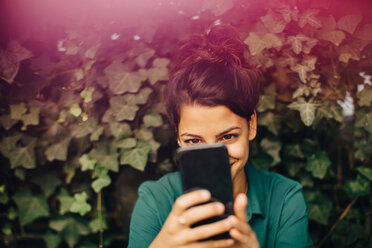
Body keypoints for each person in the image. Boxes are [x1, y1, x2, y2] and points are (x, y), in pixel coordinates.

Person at [127, 25, 312, 248]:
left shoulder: (284, 199)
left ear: (251, 125)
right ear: (177, 136)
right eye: (194, 141)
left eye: (227, 137)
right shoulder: (155, 200)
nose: (216, 158)